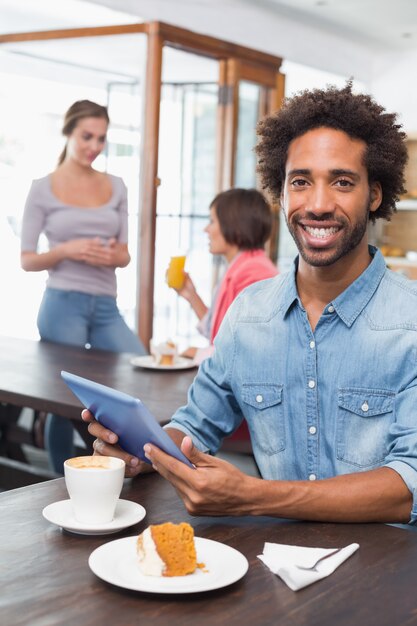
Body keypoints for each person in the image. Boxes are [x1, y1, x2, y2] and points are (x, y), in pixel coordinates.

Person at [83, 83, 417, 525]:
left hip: (385, 577)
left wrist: (254, 496)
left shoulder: (409, 320)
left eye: (341, 182)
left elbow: (409, 486)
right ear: (280, 192)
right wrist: (144, 451)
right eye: (300, 182)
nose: (317, 204)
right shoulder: (249, 313)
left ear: (374, 194)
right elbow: (197, 423)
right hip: (271, 568)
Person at [21, 99, 146, 473]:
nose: (94, 146)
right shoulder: (42, 188)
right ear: (69, 132)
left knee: (138, 374)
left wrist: (111, 257)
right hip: (62, 304)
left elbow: (124, 254)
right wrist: (66, 250)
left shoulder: (117, 185)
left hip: (106, 304)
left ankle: (134, 466)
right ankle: (64, 479)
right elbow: (26, 259)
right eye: (86, 136)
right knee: (65, 401)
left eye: (101, 139)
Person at [171, 188, 278, 364]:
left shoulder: (256, 275)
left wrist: (199, 354)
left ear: (234, 226)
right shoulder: (242, 267)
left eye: (212, 221)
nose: (206, 229)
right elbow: (222, 333)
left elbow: (247, 350)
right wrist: (191, 295)